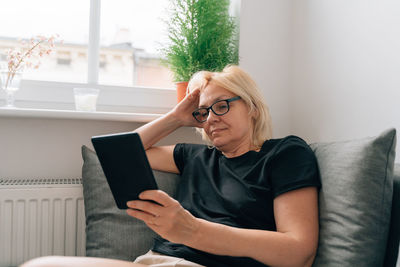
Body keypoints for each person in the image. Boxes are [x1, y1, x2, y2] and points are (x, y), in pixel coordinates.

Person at [21, 65, 321, 267]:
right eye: (203, 112)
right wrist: (176, 117)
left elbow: (299, 251)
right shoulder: (193, 156)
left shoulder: (285, 153)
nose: (212, 118)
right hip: (154, 260)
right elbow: (118, 155)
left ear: (252, 108)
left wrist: (192, 231)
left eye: (221, 105)